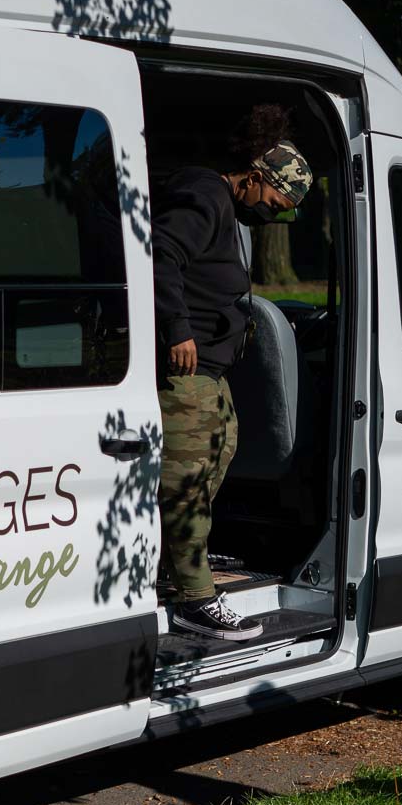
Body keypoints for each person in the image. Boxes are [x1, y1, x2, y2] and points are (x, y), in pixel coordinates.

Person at [151, 105, 312, 641]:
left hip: (212, 371)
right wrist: (177, 328)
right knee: (185, 482)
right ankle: (194, 597)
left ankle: (173, 559)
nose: (274, 214)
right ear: (257, 176)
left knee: (220, 452)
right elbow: (161, 254)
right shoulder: (204, 196)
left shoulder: (222, 204)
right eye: (276, 202)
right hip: (186, 369)